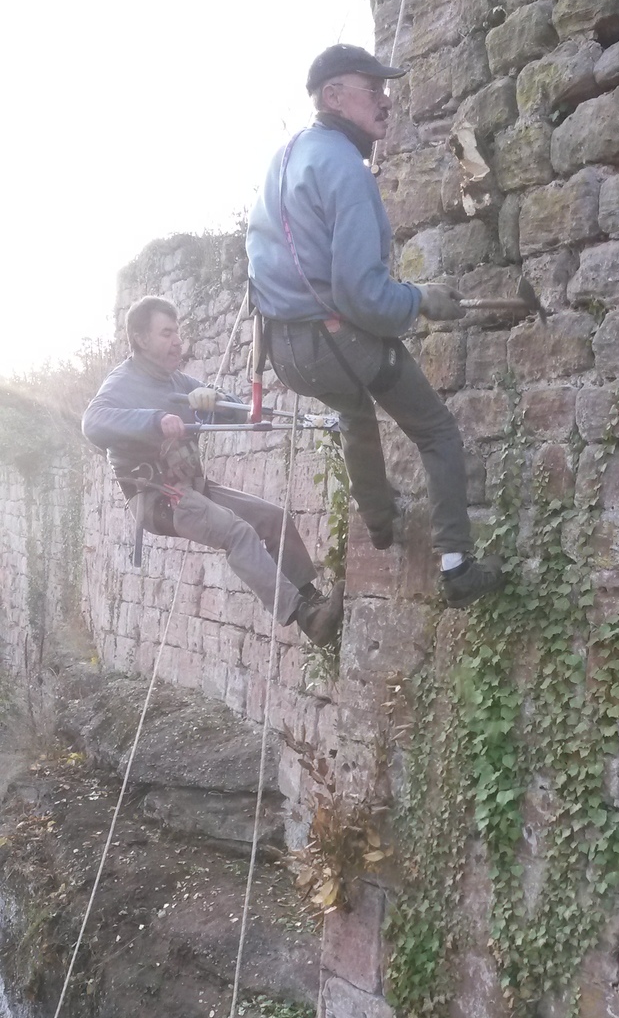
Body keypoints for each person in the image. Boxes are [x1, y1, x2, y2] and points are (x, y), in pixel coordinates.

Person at [245, 43, 504, 609]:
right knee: (436, 431)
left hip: (286, 352)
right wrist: (421, 299)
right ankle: (458, 568)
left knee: (352, 411)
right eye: (374, 89)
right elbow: (362, 295)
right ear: (334, 96)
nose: (386, 100)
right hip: (336, 342)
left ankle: (380, 522)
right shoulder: (345, 169)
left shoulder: (285, 157)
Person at [82, 296, 344, 644]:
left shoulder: (178, 382)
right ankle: (306, 617)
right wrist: (155, 420)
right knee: (237, 533)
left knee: (273, 519)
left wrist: (216, 400)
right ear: (141, 339)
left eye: (177, 332)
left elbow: (241, 412)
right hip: (158, 498)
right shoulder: (122, 382)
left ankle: (312, 601)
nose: (177, 341)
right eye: (166, 333)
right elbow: (92, 422)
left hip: (194, 487)